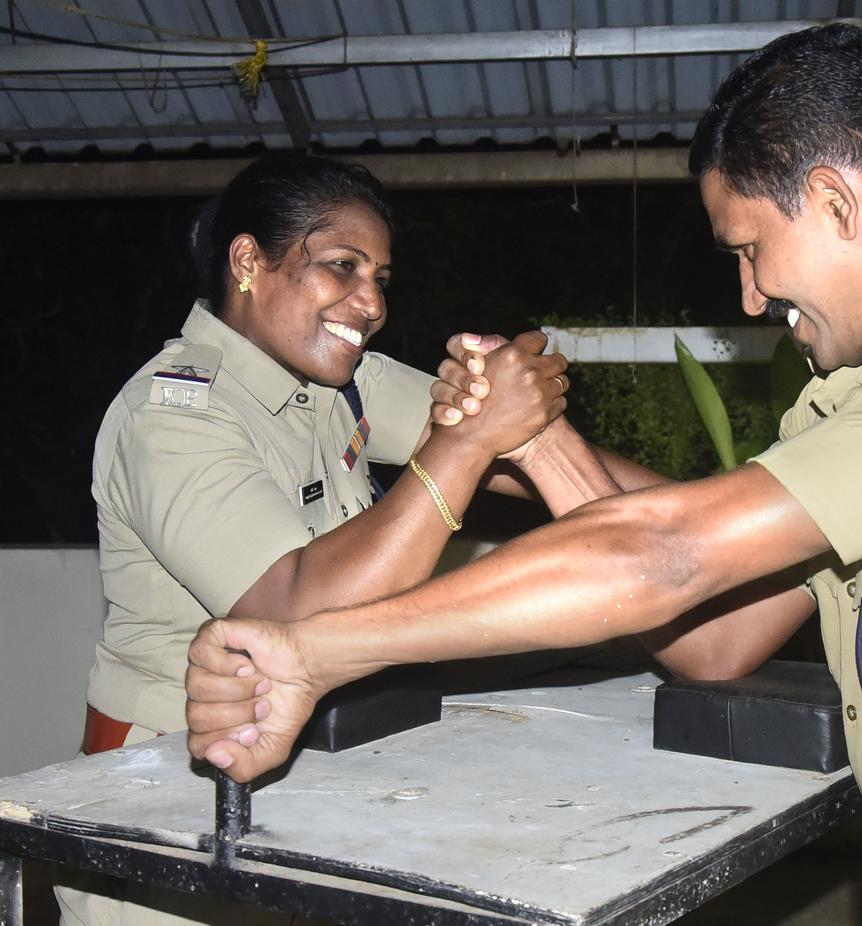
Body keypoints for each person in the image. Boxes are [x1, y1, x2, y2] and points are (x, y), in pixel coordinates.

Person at [184, 26, 862, 926]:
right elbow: (716, 637)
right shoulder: (849, 400)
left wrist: (316, 652)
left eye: (752, 249)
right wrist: (534, 440)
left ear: (839, 203)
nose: (752, 296)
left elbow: (662, 557)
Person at [61, 153, 618, 926]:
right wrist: (465, 443)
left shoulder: (344, 381)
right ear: (249, 261)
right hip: (164, 802)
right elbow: (287, 613)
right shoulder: (174, 413)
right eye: (341, 268)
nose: (371, 303)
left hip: (308, 774)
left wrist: (724, 515)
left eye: (380, 279)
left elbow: (513, 445)